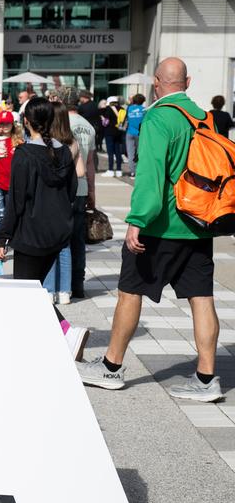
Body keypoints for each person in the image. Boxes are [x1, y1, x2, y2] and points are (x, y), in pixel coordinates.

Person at [78, 58, 223, 401]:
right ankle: (206, 379)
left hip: (162, 226)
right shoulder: (204, 117)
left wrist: (138, 220)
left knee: (130, 291)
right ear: (187, 81)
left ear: (157, 82)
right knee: (202, 298)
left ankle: (111, 368)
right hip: (199, 224)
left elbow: (151, 174)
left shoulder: (159, 117)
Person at [0, 98, 84, 352]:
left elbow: (16, 200)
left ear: (26, 121)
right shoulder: (64, 151)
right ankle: (37, 340)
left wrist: (2, 237)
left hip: (31, 233)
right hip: (57, 230)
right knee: (30, 289)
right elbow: (71, 190)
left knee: (26, 291)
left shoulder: (24, 154)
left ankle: (66, 332)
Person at [39, 100, 86, 308]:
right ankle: (65, 291)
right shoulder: (72, 141)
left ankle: (49, 290)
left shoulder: (47, 142)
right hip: (70, 198)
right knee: (65, 247)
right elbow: (82, 172)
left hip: (50, 198)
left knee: (50, 245)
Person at [66, 96, 97, 299]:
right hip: (83, 186)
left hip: (66, 187)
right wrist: (92, 192)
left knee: (63, 239)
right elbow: (90, 164)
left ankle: (62, 283)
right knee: (78, 240)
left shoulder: (61, 123)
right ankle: (78, 283)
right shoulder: (88, 127)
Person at [124, 93, 147, 176]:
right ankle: (138, 170)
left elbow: (126, 119)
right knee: (139, 153)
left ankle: (132, 171)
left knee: (130, 153)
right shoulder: (144, 110)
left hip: (129, 132)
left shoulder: (129, 108)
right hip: (140, 133)